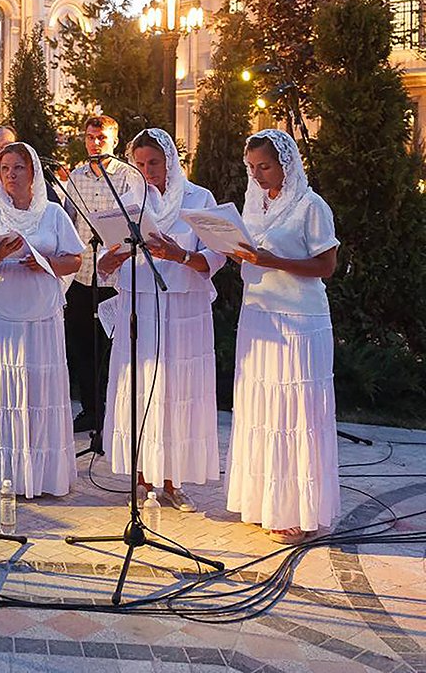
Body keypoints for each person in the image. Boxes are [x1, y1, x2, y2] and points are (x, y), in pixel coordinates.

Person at [97, 129, 223, 512]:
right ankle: (141, 475)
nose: (147, 171)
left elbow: (214, 260)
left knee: (178, 389)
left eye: (153, 162)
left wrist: (177, 254)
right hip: (141, 306)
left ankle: (173, 480)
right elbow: (103, 266)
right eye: (140, 164)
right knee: (139, 385)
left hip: (184, 309)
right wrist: (115, 257)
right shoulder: (130, 202)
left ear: (170, 159)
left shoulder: (199, 199)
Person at [225, 129, 340, 545]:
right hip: (258, 314)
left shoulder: (311, 206)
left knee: (295, 412)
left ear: (286, 164)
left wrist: (275, 261)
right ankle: (264, 500)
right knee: (263, 409)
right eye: (252, 167)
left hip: (299, 320)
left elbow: (326, 266)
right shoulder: (253, 202)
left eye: (265, 167)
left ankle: (299, 510)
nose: (257, 175)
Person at [0, 142, 83, 497]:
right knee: (2, 388)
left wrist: (43, 262)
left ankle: (42, 473)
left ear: (33, 172)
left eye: (18, 168)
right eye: (4, 169)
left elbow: (75, 260)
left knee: (37, 390)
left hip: (40, 311)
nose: (11, 175)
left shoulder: (53, 213)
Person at [65, 115, 134, 437]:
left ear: (114, 141)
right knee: (82, 347)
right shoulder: (76, 177)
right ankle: (91, 411)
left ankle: (111, 413)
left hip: (113, 275)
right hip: (81, 274)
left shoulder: (126, 177)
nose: (95, 143)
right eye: (91, 137)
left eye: (102, 138)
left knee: (111, 348)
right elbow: (69, 221)